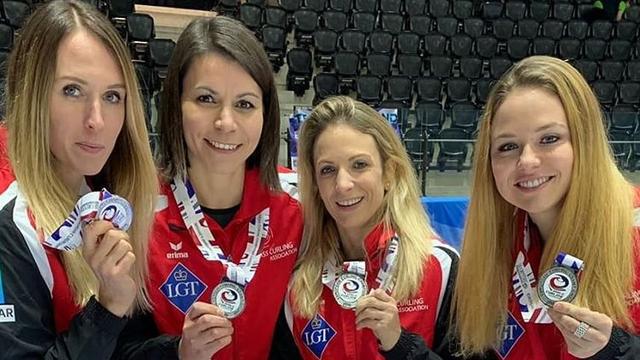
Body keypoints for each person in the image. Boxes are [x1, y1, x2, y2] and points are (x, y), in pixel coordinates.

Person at [453, 55, 640, 360]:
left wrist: (616, 349)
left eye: (549, 138)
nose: (526, 160)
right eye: (507, 146)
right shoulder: (497, 244)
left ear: (584, 141)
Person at [0, 0, 158, 358]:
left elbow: (121, 348)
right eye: (72, 90)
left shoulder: (111, 200)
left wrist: (181, 349)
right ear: (32, 95)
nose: (97, 120)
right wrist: (107, 309)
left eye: (113, 96)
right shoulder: (10, 223)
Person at [140, 15, 303, 360]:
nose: (225, 122)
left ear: (266, 114)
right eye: (205, 98)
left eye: (245, 104)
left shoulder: (296, 211)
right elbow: (117, 346)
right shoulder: (137, 216)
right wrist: (177, 352)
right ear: (175, 105)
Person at [282, 96, 459, 359]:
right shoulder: (297, 280)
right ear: (316, 185)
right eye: (328, 170)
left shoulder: (439, 267)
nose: (342, 184)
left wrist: (400, 344)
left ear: (389, 173)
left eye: (359, 165)